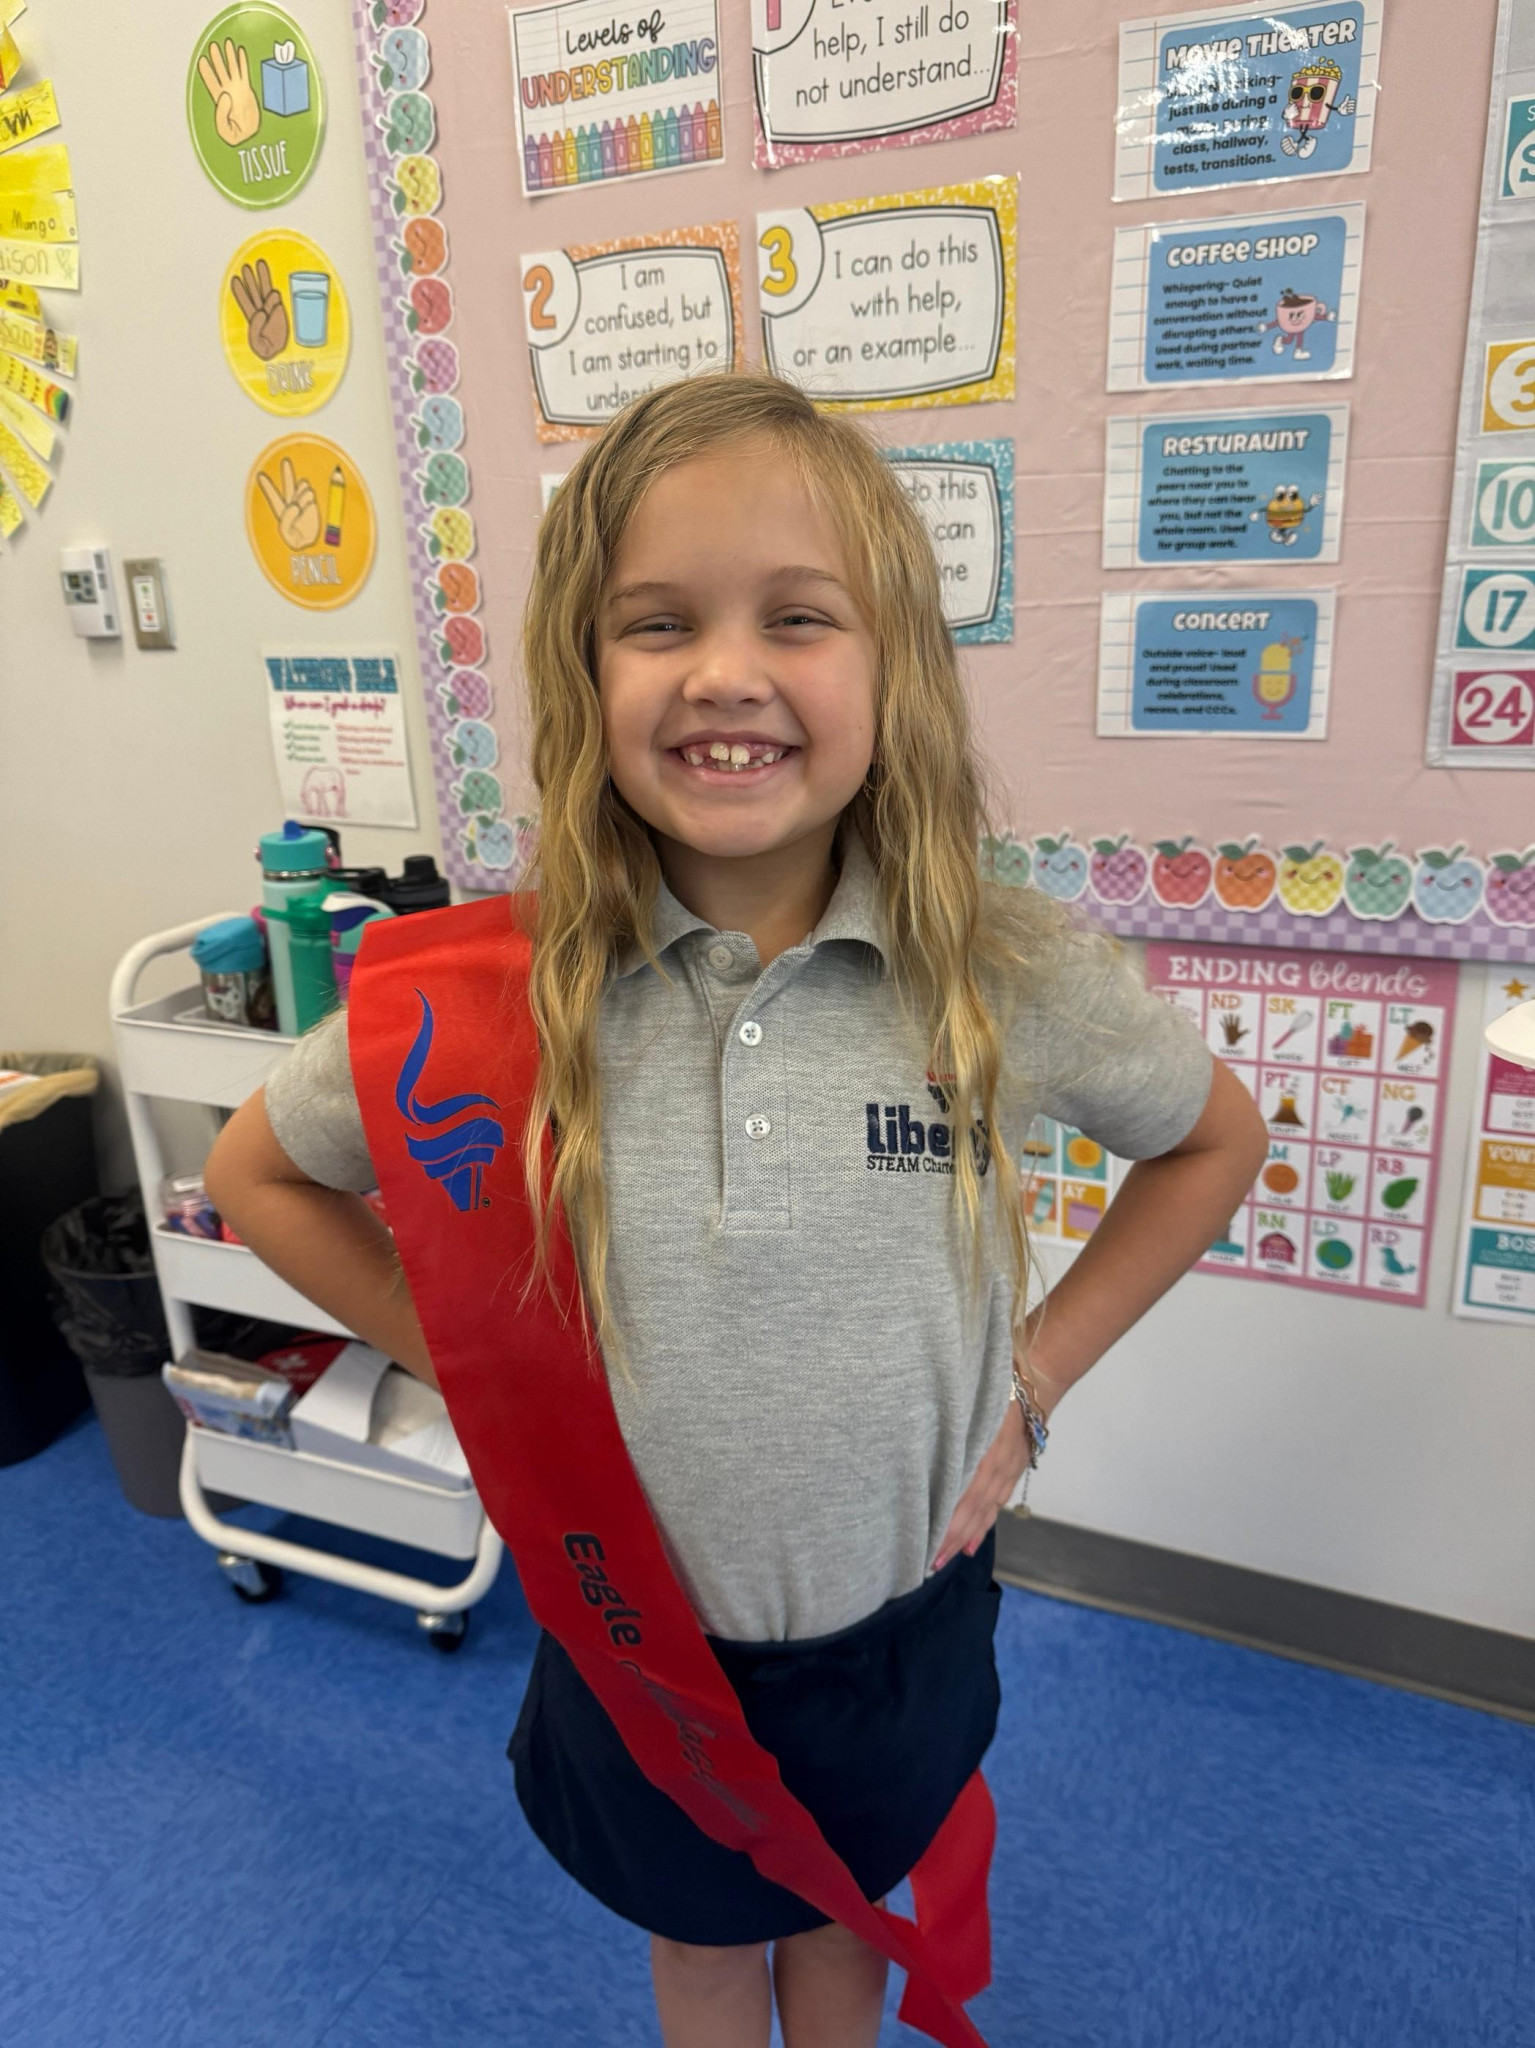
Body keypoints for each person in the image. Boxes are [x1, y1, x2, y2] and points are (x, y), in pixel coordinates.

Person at [205, 369, 1266, 2048]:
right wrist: (474, 1369)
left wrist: (1037, 1379)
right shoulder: (489, 996)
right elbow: (256, 1173)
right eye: (656, 622)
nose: (723, 672)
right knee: (702, 1949)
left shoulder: (1001, 972)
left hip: (897, 1631)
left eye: (798, 616)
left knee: (848, 1923)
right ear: (586, 676)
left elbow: (1212, 1143)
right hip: (639, 1637)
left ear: (893, 670)